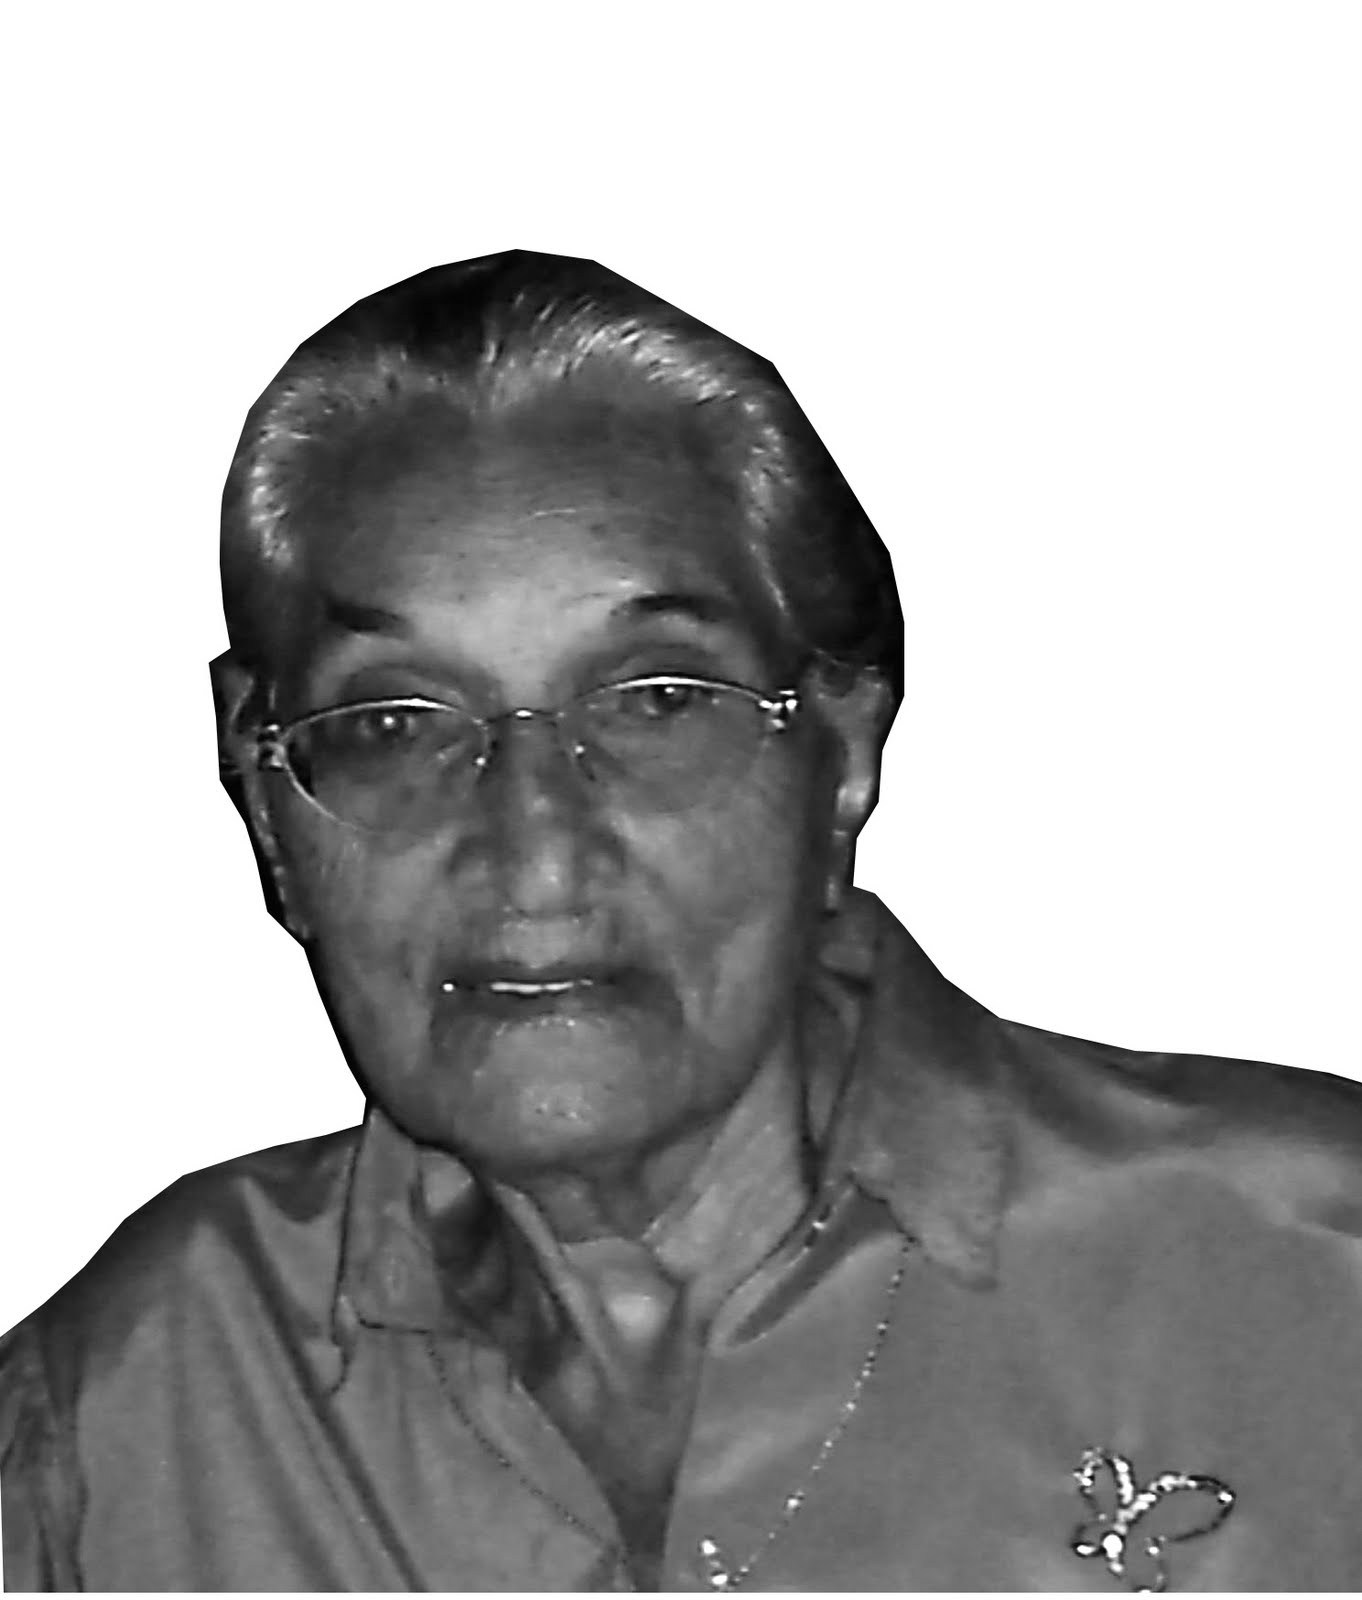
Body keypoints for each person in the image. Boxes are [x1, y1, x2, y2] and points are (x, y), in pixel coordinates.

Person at [2, 250, 1359, 1594]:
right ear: (263, 793)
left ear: (841, 756)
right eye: (396, 724)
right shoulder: (140, 1407)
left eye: (656, 701)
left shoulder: (1304, 1279)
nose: (535, 854)